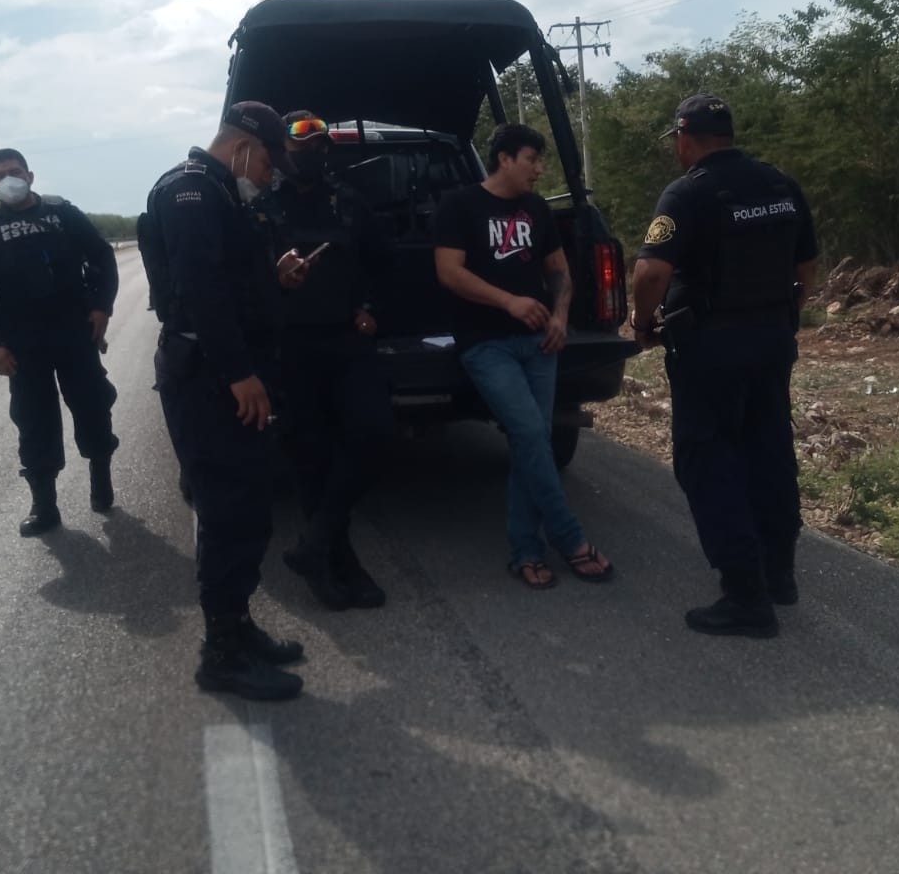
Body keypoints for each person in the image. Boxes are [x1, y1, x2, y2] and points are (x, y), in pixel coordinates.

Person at [629, 94, 818, 638]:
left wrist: (643, 326)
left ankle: (744, 596)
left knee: (707, 459)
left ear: (685, 139)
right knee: (768, 449)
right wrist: (783, 313)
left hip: (710, 347)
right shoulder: (781, 185)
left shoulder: (689, 192)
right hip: (772, 339)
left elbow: (649, 273)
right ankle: (779, 575)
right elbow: (807, 267)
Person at [142, 102, 312, 701]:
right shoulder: (191, 192)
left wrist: (275, 275)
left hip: (228, 372)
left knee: (249, 505)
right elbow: (200, 289)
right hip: (208, 378)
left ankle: (239, 626)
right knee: (226, 511)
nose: (269, 175)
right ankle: (221, 654)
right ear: (242, 147)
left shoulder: (224, 193)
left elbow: (234, 278)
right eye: (267, 161)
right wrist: (240, 372)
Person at [434, 122, 615, 590]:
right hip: (486, 343)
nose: (539, 169)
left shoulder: (536, 209)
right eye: (531, 159)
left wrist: (559, 316)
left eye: (540, 160)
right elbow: (449, 273)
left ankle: (526, 550)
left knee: (528, 442)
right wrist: (508, 301)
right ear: (504, 159)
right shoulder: (460, 205)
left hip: (540, 344)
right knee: (532, 431)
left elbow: (559, 270)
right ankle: (569, 537)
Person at [272, 112, 396, 611]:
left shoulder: (348, 201)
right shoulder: (263, 206)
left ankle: (315, 540)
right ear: (283, 150)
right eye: (301, 146)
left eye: (320, 145)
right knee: (311, 459)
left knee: (374, 435)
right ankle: (334, 562)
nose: (312, 154)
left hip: (347, 343)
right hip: (291, 349)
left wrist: (373, 310)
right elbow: (239, 278)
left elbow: (384, 264)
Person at [0, 148, 120, 536]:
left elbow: (101, 256)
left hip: (74, 331)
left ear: (30, 176)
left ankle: (101, 477)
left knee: (92, 405)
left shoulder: (61, 214)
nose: (9, 180)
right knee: (34, 421)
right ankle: (45, 507)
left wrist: (102, 306)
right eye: (0, 176)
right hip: (22, 342)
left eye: (15, 172)